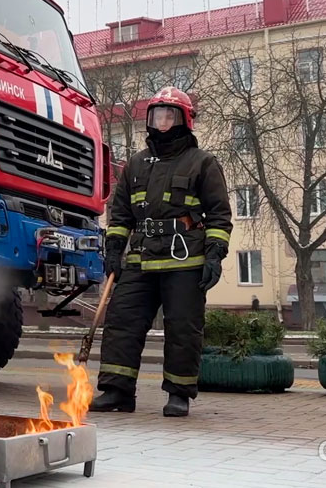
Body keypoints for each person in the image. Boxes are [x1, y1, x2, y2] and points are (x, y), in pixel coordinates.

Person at [91, 86, 233, 417]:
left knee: (183, 327)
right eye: (158, 115)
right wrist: (113, 248)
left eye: (170, 115)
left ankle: (179, 393)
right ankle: (117, 391)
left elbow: (218, 215)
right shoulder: (136, 165)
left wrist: (215, 255)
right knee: (122, 321)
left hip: (186, 259)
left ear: (184, 120)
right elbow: (121, 213)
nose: (163, 121)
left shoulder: (203, 163)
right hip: (140, 258)